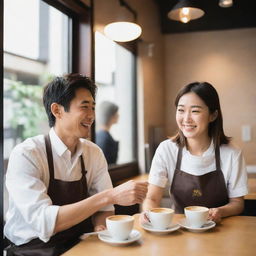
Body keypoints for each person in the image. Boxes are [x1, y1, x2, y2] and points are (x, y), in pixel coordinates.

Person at [4, 73, 148, 256]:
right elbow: (45, 221)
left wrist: (100, 225)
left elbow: (105, 210)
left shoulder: (93, 153)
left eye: (93, 107)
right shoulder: (27, 154)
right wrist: (110, 195)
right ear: (57, 110)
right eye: (85, 107)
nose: (91, 116)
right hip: (32, 250)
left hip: (79, 244)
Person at [142, 82, 248, 224]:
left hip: (220, 229)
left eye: (195, 111)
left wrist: (220, 211)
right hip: (179, 229)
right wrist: (148, 213)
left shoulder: (232, 153)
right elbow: (152, 198)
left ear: (213, 115)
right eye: (181, 110)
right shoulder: (166, 150)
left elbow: (237, 203)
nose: (186, 119)